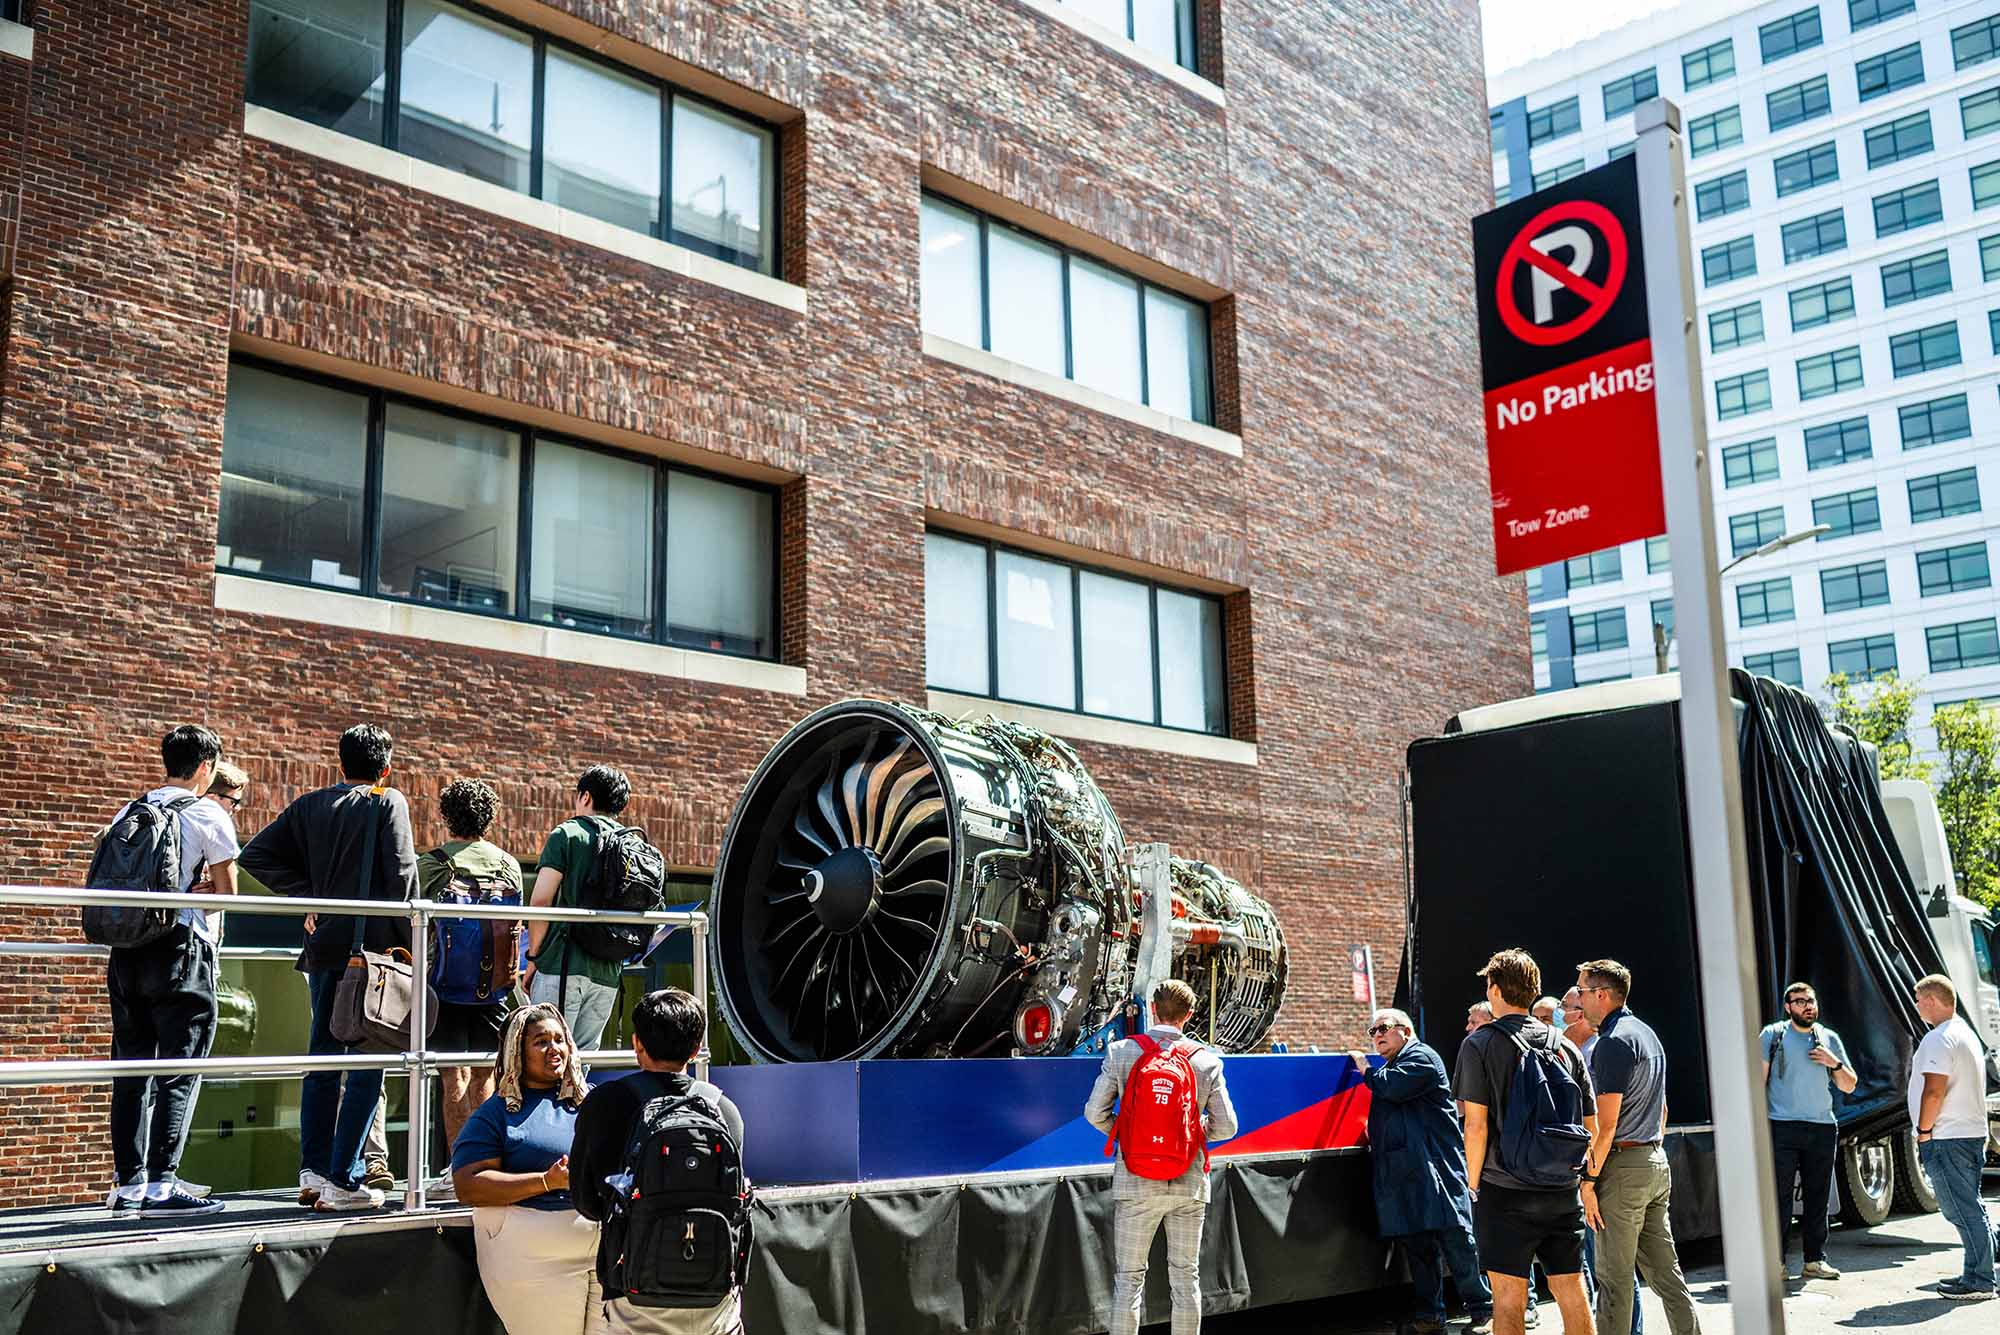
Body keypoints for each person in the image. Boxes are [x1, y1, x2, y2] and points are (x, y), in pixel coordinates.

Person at [240, 723, 418, 1211]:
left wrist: (310, 897)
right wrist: (411, 946)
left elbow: (254, 855)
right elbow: (402, 877)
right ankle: (345, 1179)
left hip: (323, 948)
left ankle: (315, 1173)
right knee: (365, 1063)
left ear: (341, 765)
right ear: (385, 767)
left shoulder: (310, 804)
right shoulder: (389, 801)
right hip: (371, 953)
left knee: (322, 1059)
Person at [101, 725, 239, 1218]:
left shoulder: (130, 809)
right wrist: (199, 890)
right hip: (181, 950)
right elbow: (228, 896)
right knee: (179, 1067)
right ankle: (162, 1185)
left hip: (127, 950)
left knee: (131, 1069)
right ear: (206, 768)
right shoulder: (208, 813)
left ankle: (127, 1184)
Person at [572, 988, 748, 1334]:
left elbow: (587, 1202)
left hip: (635, 1288)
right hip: (716, 1290)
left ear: (637, 1043)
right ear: (697, 1049)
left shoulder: (606, 1103)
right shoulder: (723, 1110)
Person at [1456, 948, 1597, 1335]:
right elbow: (1591, 1125)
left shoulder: (1479, 1044)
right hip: (1561, 1187)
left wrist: (1472, 1184)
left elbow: (1476, 1127)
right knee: (1572, 1291)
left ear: (1497, 990)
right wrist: (1583, 1179)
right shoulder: (1566, 1044)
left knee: (1507, 1300)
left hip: (1504, 1191)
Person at [1085, 979, 1238, 1335]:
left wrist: (1130, 1136)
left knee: (1129, 1280)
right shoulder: (1206, 1061)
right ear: (1189, 1015)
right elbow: (1227, 1126)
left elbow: (1094, 1113)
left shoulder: (1122, 1051)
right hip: (1188, 1183)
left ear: (1153, 1008)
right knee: (1186, 1279)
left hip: (1136, 1181)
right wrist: (1192, 1136)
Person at [453, 1003, 596, 1334]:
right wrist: (547, 1181)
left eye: (559, 1039)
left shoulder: (591, 1102)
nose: (554, 1049)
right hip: (534, 1262)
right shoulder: (497, 1113)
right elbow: (468, 1185)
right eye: (541, 1041)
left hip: (603, 1251)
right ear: (517, 1050)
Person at [1349, 1008, 1492, 1335]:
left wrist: (1363, 1068)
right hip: (1408, 1175)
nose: (1376, 1036)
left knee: (1458, 1243)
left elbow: (1393, 1088)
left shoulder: (1420, 1057)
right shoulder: (1395, 1063)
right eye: (1372, 1031)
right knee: (1419, 1250)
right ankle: (1430, 1317)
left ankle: (1483, 1310)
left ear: (1406, 1031)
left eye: (1382, 1028)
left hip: (1435, 1170)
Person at [1574, 961, 1698, 1335]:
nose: (1578, 1001)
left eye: (1581, 992)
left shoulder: (1613, 1042)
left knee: (1613, 1283)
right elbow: (1661, 1108)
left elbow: (1607, 1124)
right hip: (1653, 1161)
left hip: (1622, 1168)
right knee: (1667, 1277)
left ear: (1602, 995)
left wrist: (1588, 1180)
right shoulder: (1646, 1033)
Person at [421, 779, 524, 1159]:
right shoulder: (508, 865)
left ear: (447, 817)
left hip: (444, 986)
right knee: (485, 1076)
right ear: (490, 819)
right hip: (495, 987)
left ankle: (457, 1169)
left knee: (453, 1078)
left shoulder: (432, 864)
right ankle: (483, 1161)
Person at [527, 766, 635, 1050]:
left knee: (544, 1062)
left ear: (585, 797)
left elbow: (540, 902)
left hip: (562, 965)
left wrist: (534, 957)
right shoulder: (633, 844)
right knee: (581, 1064)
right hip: (609, 973)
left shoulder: (568, 833)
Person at [1759, 982, 1857, 1282]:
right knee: (1779, 1197)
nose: (1807, 1006)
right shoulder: (1772, 1036)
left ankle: (1815, 1260)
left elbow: (1849, 1084)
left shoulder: (1829, 1038)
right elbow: (1756, 1081)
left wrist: (1834, 1062)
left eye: (1811, 1000)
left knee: (1818, 1197)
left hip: (1822, 1127)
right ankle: (1776, 1263)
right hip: (1781, 1126)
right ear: (1788, 1007)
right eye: (1799, 1001)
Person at [1908, 973, 1995, 1300]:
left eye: (1918, 1000)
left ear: (1931, 1000)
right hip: (1969, 1132)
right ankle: (1983, 1266)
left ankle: (1980, 1280)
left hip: (1947, 1136)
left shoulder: (1939, 1038)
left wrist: (1924, 1132)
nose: (1916, 1007)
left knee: (1960, 1209)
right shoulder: (1965, 1033)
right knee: (1971, 1204)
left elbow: (1933, 1091)